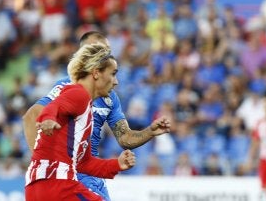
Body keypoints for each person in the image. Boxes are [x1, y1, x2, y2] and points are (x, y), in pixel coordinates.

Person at [23, 31, 171, 200]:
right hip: (61, 177)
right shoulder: (73, 88)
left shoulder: (105, 100)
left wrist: (147, 135)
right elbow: (42, 111)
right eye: (98, 51)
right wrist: (47, 159)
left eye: (107, 52)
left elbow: (120, 141)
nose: (116, 81)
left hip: (79, 172)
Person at [25, 43, 136, 200]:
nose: (116, 81)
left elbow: (84, 163)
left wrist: (117, 164)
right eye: (113, 74)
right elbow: (54, 106)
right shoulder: (80, 94)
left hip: (38, 187)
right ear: (96, 73)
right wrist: (48, 118)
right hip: (57, 184)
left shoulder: (85, 112)